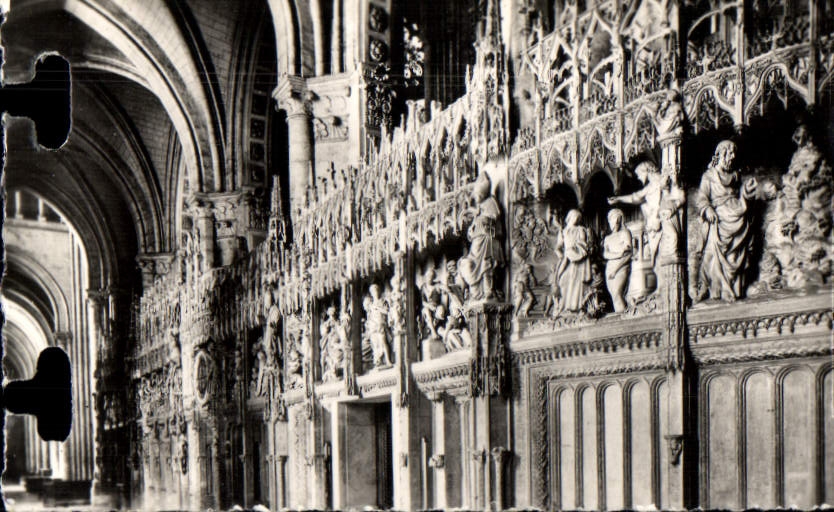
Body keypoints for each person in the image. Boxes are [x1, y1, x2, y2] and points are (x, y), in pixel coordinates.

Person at [694, 140, 757, 301]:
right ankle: (714, 289)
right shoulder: (709, 176)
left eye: (734, 154)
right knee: (711, 254)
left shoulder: (735, 175)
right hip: (718, 219)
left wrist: (746, 191)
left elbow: (740, 195)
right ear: (721, 154)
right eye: (729, 153)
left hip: (737, 214)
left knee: (734, 256)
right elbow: (702, 197)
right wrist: (707, 209)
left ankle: (732, 289)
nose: (732, 157)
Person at [608, 161, 664, 267]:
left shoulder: (657, 183)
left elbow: (637, 197)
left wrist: (618, 199)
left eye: (639, 174)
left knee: (656, 257)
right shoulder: (650, 186)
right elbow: (635, 197)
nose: (638, 177)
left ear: (646, 171)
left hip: (658, 222)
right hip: (653, 223)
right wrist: (618, 199)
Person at [460, 173, 504, 301]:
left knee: (487, 265)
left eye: (478, 196)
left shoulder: (490, 204)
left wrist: (483, 222)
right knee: (470, 264)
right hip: (477, 244)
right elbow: (473, 229)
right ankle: (477, 293)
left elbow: (495, 221)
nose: (476, 198)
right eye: (476, 196)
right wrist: (471, 230)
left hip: (486, 241)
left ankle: (488, 291)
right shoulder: (479, 210)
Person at [555, 209, 592, 314]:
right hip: (567, 259)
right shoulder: (563, 231)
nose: (576, 219)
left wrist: (576, 250)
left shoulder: (581, 229)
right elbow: (558, 247)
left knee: (577, 282)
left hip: (579, 259)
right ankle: (564, 306)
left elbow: (583, 243)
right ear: (569, 217)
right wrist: (561, 255)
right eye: (574, 216)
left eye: (578, 217)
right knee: (563, 280)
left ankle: (576, 307)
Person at [603, 209, 632, 312]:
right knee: (614, 296)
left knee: (617, 293)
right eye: (612, 220)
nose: (615, 223)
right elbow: (605, 254)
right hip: (610, 268)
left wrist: (615, 270)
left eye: (617, 220)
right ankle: (620, 315)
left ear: (620, 220)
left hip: (621, 266)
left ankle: (623, 316)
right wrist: (619, 254)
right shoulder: (607, 238)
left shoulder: (625, 233)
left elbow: (628, 253)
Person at [363, 284, 393, 368]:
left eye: (376, 290)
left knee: (383, 342)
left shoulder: (383, 301)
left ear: (379, 291)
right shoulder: (371, 304)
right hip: (373, 326)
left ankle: (388, 360)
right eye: (373, 291)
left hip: (381, 323)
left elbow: (387, 311)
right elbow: (369, 316)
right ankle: (378, 360)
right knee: (375, 344)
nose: (375, 293)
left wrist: (378, 308)